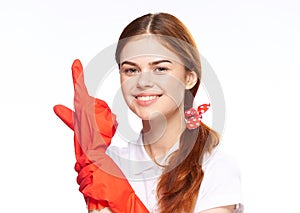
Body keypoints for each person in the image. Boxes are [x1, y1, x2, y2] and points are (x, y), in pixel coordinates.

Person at [54, 13, 244, 213]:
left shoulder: (215, 167)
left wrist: (124, 199)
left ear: (189, 78)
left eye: (160, 69)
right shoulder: (110, 165)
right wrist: (91, 153)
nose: (143, 82)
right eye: (131, 70)